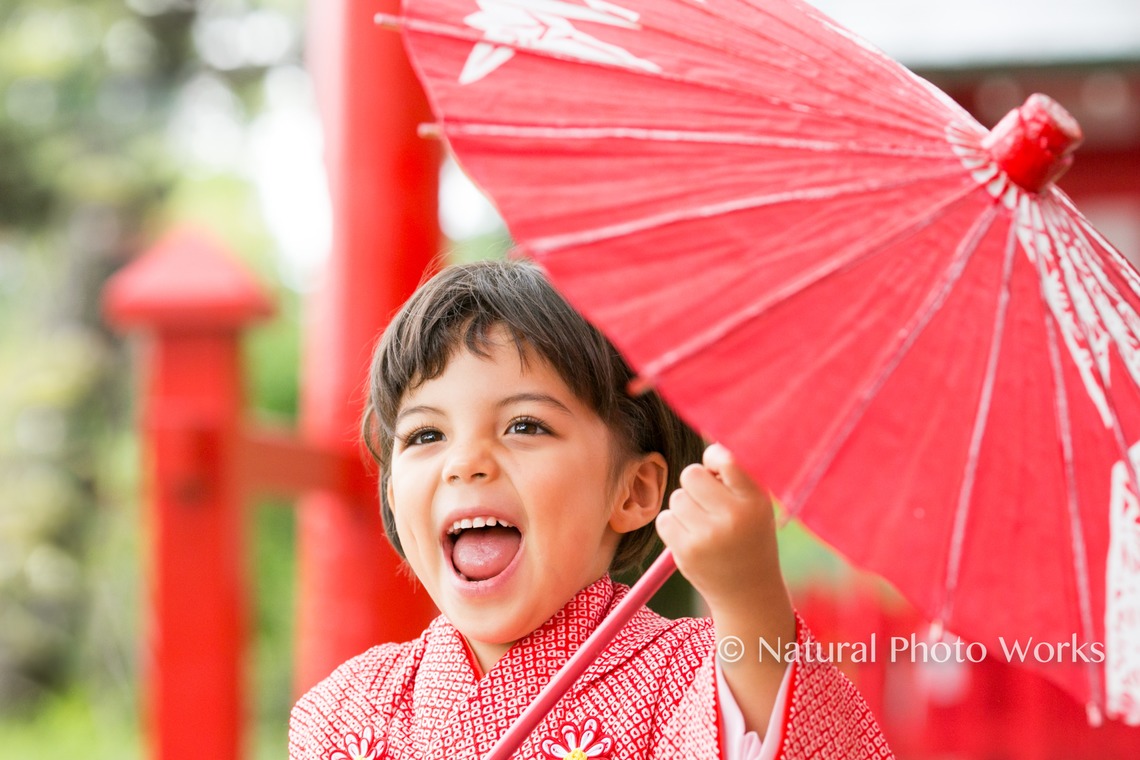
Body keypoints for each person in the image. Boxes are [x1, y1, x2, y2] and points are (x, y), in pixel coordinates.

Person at [289, 259, 893, 760]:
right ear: (394, 493)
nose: (465, 462)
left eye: (524, 425)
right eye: (425, 436)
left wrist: (749, 595)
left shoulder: (688, 678)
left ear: (632, 493)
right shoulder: (347, 710)